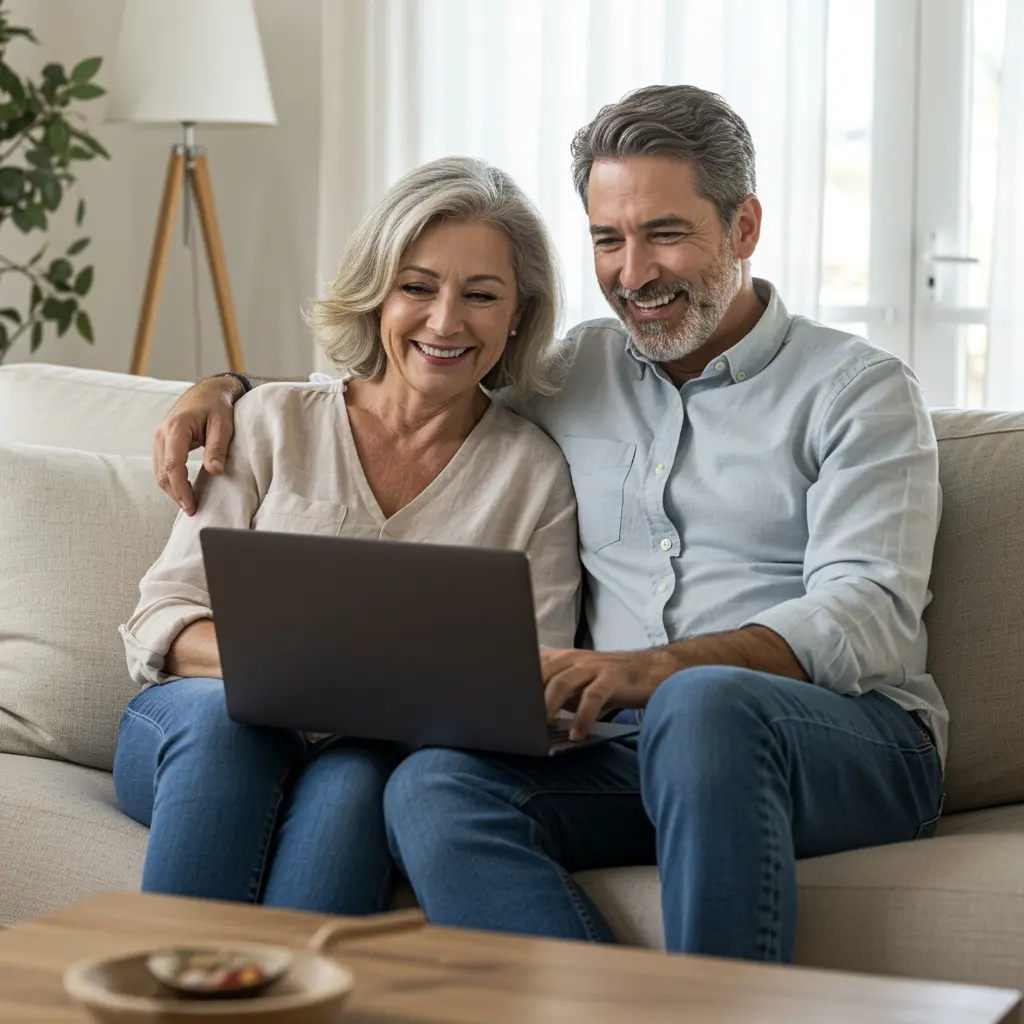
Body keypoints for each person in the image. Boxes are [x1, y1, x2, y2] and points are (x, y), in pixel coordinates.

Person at [151, 85, 946, 963]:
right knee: (432, 786)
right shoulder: (577, 374)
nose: (633, 272)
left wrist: (656, 670)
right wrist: (224, 386)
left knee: (701, 703)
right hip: (627, 751)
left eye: (666, 233)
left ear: (744, 228)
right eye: (609, 238)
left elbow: (870, 610)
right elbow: (416, 373)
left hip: (836, 741)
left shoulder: (858, 390)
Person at [114, 156, 581, 916]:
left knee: (358, 783)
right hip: (205, 719)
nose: (444, 321)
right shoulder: (268, 422)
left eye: (482, 295)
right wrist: (295, 675)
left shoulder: (533, 476)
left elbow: (535, 676)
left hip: (370, 756)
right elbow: (163, 616)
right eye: (418, 287)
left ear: (519, 314)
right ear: (378, 294)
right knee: (230, 729)